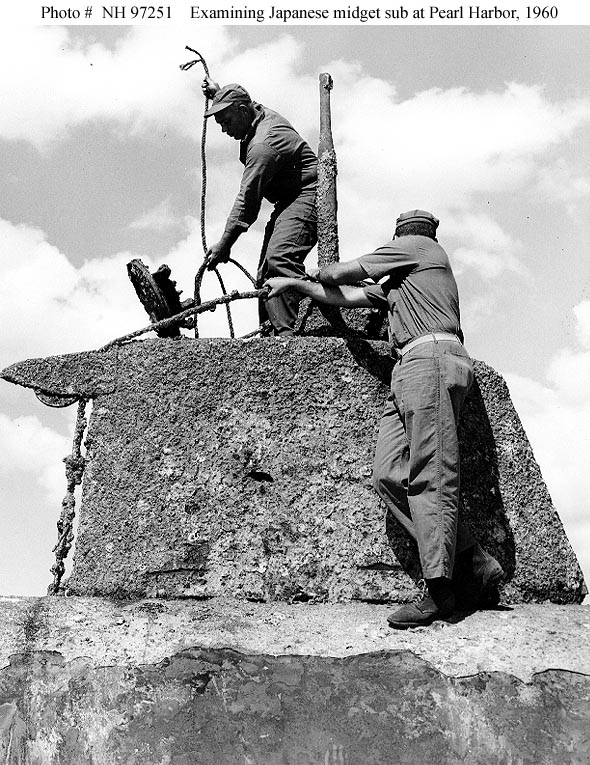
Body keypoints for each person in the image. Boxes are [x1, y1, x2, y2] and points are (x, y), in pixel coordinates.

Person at [263, 209, 504, 628]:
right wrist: (294, 284)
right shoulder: (404, 282)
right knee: (389, 474)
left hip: (430, 358)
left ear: (406, 236)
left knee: (432, 473)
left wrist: (302, 269)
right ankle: (474, 561)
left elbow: (344, 274)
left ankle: (440, 591)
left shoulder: (419, 249)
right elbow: (346, 297)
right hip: (408, 368)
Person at [202, 78, 318, 336]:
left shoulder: (263, 145)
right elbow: (239, 101)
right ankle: (271, 334)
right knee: (266, 272)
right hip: (289, 199)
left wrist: (225, 244)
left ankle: (287, 337)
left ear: (243, 112)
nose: (223, 130)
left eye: (226, 121)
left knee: (280, 259)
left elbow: (248, 201)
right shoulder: (253, 112)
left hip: (308, 194)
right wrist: (218, 94)